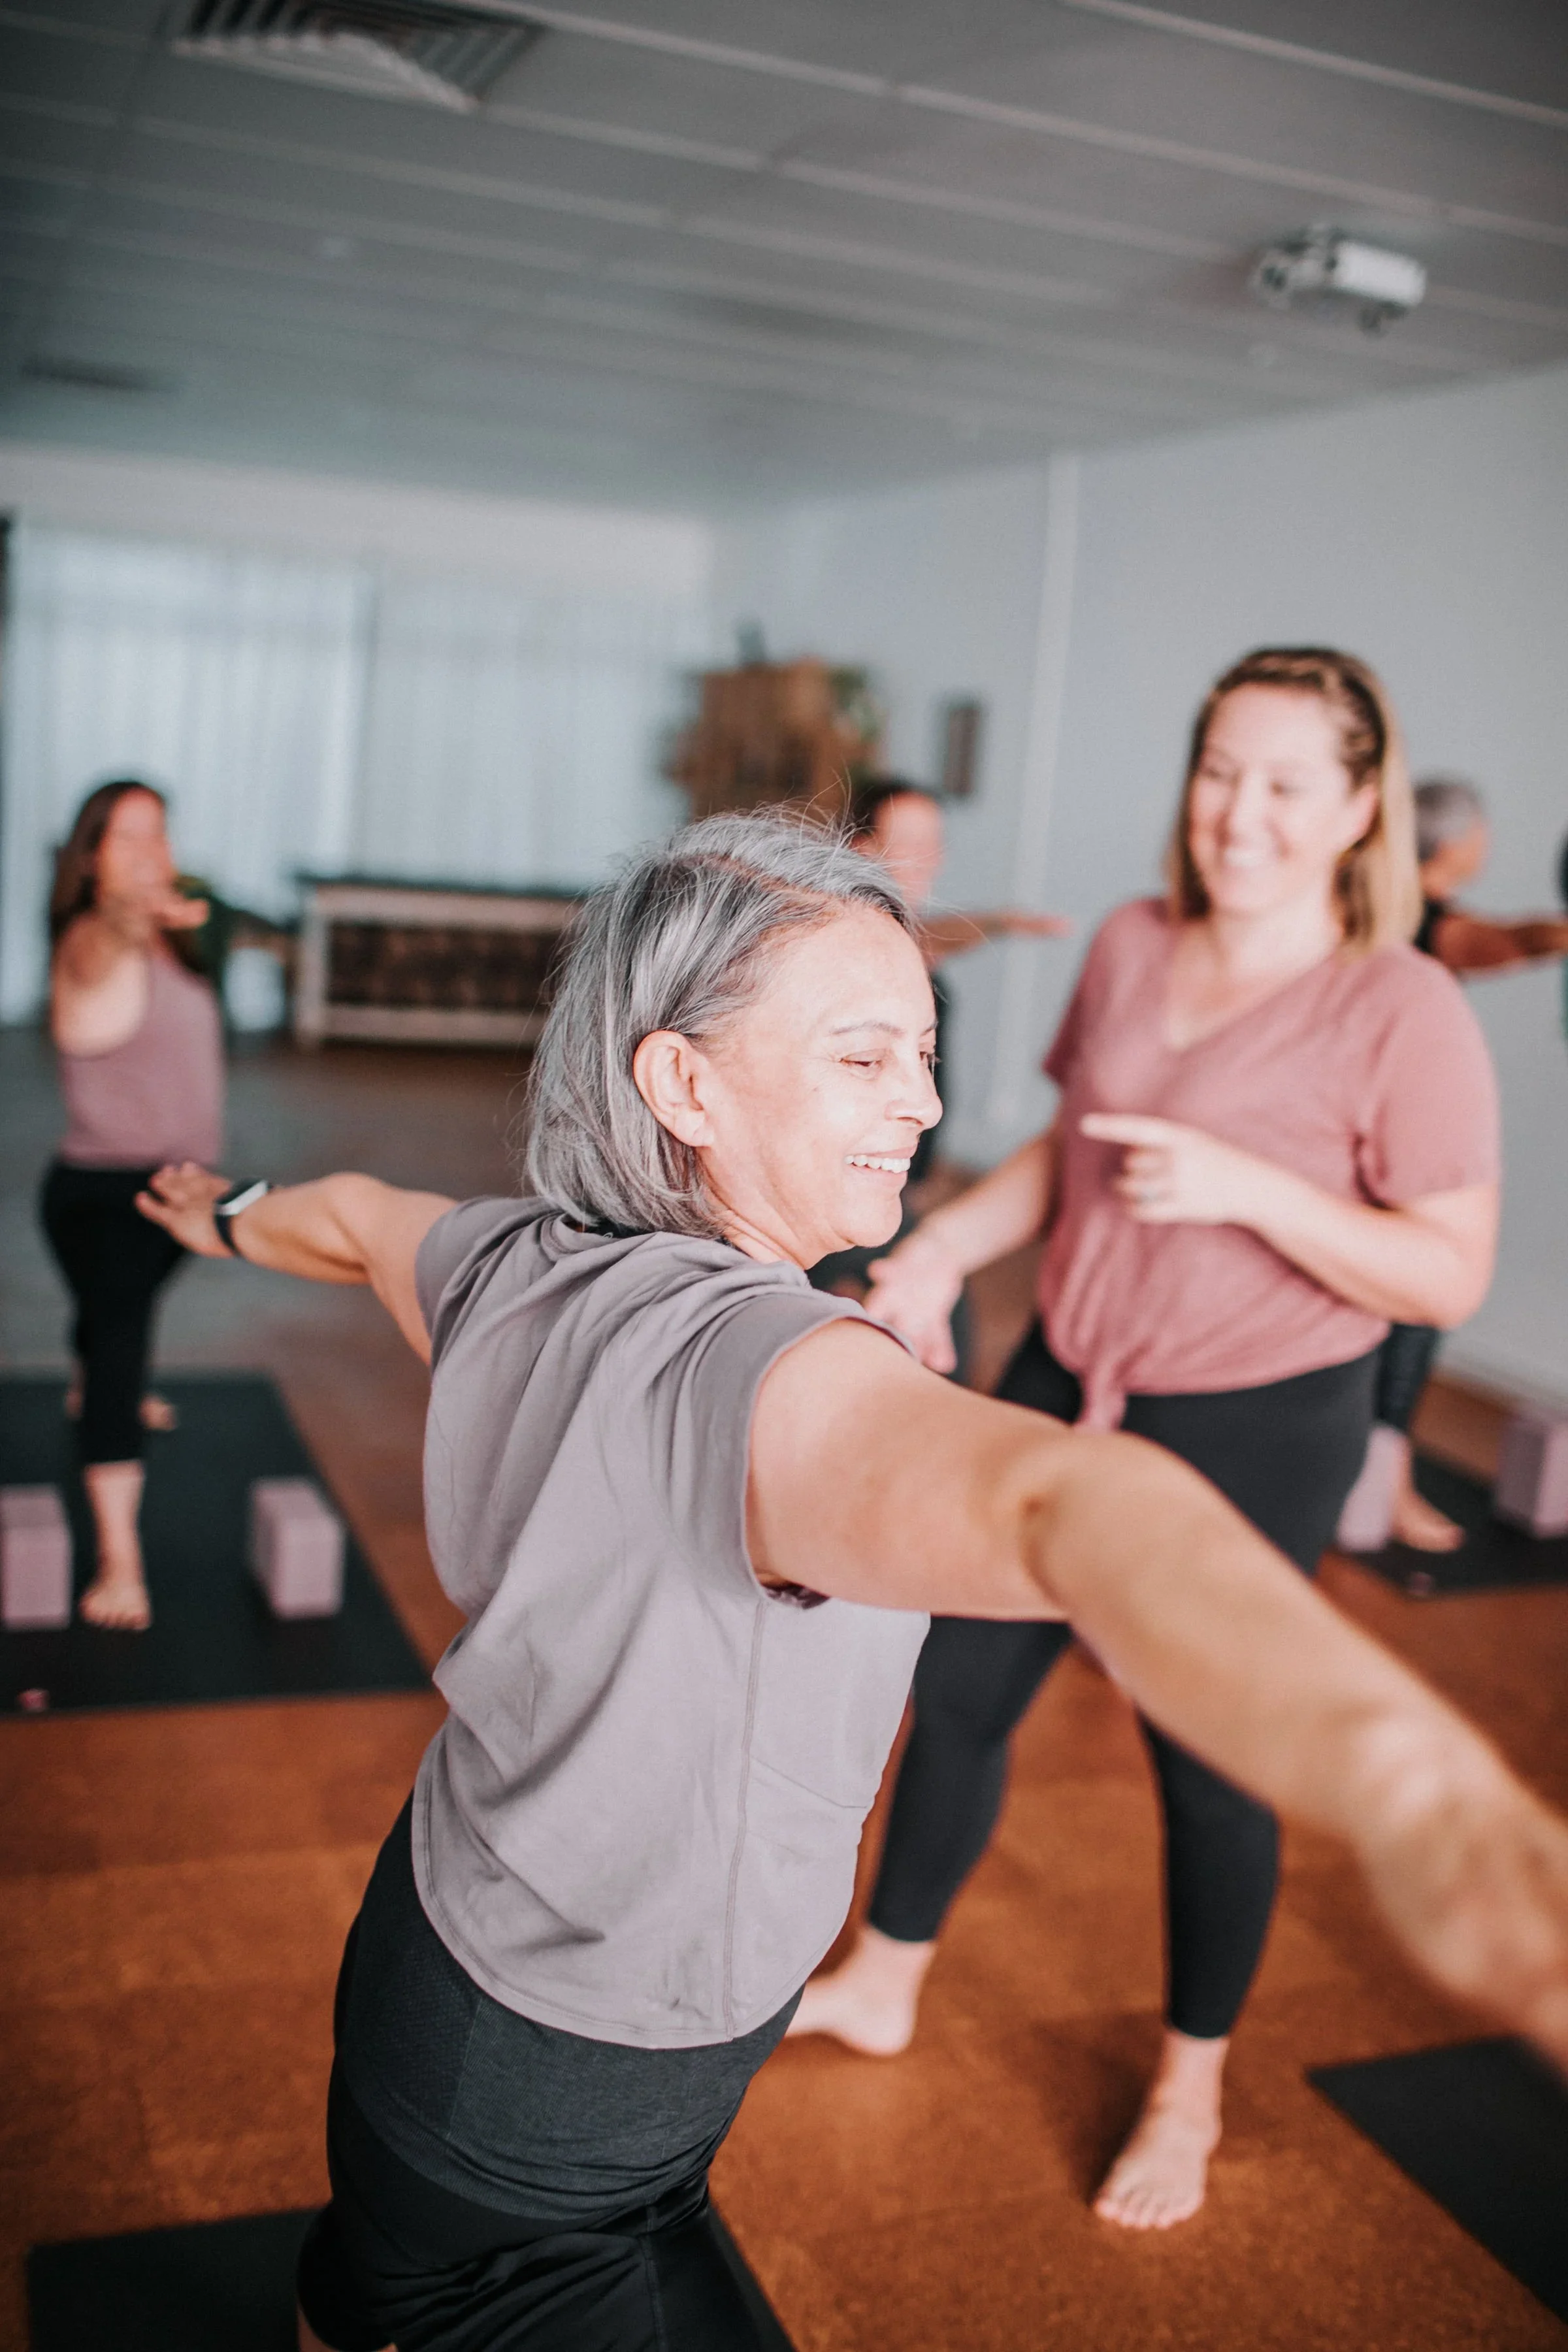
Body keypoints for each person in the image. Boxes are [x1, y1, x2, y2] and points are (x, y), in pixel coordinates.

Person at [135, 814, 1567, 2352]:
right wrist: (1425, 1801)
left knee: (377, 2280)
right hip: (545, 2091)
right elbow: (1063, 1506)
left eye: (923, 1052)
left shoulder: (514, 1259)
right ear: (679, 1081)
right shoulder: (780, 1385)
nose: (924, 1101)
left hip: (466, 1967)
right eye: (861, 1057)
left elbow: (351, 1218)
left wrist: (221, 1212)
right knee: (400, 2290)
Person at [791, 649, 1503, 2233]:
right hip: (1068, 1365)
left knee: (1205, 1757)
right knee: (957, 1685)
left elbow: (1444, 1268)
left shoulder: (1400, 1004)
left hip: (1254, 1416)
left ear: (1355, 806)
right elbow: (1066, 1155)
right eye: (1214, 769)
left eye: (1280, 783)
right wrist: (931, 1254)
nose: (1235, 813)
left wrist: (1256, 1191)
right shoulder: (1128, 939)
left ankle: (1187, 2083)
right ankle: (885, 1974)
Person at [1343, 774, 1568, 1553]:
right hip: (1385, 1153)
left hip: (1367, 1143)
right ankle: (1385, 1491)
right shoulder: (1414, 920)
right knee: (1410, 1316)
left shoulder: (1372, 909)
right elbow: (1506, 944)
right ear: (1458, 843)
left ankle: (1371, 1484)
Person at [41, 779, 224, 1631]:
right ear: (93, 857)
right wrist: (126, 912)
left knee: (123, 1304)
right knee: (121, 1340)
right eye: (129, 838)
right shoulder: (89, 939)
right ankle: (120, 1562)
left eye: (161, 835)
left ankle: (94, 1379)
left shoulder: (168, 943)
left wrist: (159, 915)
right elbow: (101, 939)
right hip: (107, 1193)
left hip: (177, 1191)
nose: (153, 852)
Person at [809, 778, 1068, 1315]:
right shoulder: (834, 949)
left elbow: (930, 940)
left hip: (900, 1183)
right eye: (908, 844)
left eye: (934, 844)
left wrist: (1003, 921)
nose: (926, 860)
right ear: (861, 849)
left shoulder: (907, 945)